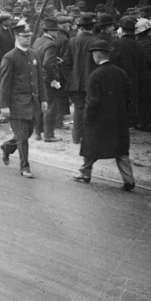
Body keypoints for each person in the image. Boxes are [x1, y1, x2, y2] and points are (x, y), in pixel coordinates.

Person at [71, 39, 136, 191]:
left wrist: (87, 118)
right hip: (118, 120)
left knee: (91, 147)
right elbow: (129, 96)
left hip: (99, 120)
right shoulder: (121, 72)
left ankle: (85, 174)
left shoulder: (95, 75)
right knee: (121, 152)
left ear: (95, 55)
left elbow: (92, 101)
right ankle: (129, 180)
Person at [0, 19, 47, 178]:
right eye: (25, 36)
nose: (28, 39)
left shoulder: (34, 54)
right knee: (23, 138)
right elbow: (3, 84)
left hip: (32, 104)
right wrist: (4, 106)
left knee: (28, 133)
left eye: (29, 36)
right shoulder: (10, 57)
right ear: (17, 37)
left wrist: (44, 99)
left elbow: (39, 79)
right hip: (16, 104)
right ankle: (25, 167)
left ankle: (7, 147)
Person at [65, 12, 98, 144]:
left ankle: (76, 137)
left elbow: (66, 62)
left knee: (78, 110)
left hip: (76, 82)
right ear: (92, 27)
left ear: (81, 28)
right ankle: (88, 136)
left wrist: (71, 77)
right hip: (92, 81)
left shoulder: (72, 41)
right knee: (92, 108)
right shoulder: (97, 41)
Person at [32, 16, 65, 142]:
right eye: (56, 30)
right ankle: (49, 135)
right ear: (50, 31)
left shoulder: (38, 40)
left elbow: (39, 57)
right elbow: (47, 63)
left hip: (37, 76)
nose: (57, 33)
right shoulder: (51, 44)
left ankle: (37, 132)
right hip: (47, 79)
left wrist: (54, 60)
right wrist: (52, 79)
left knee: (40, 105)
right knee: (50, 106)